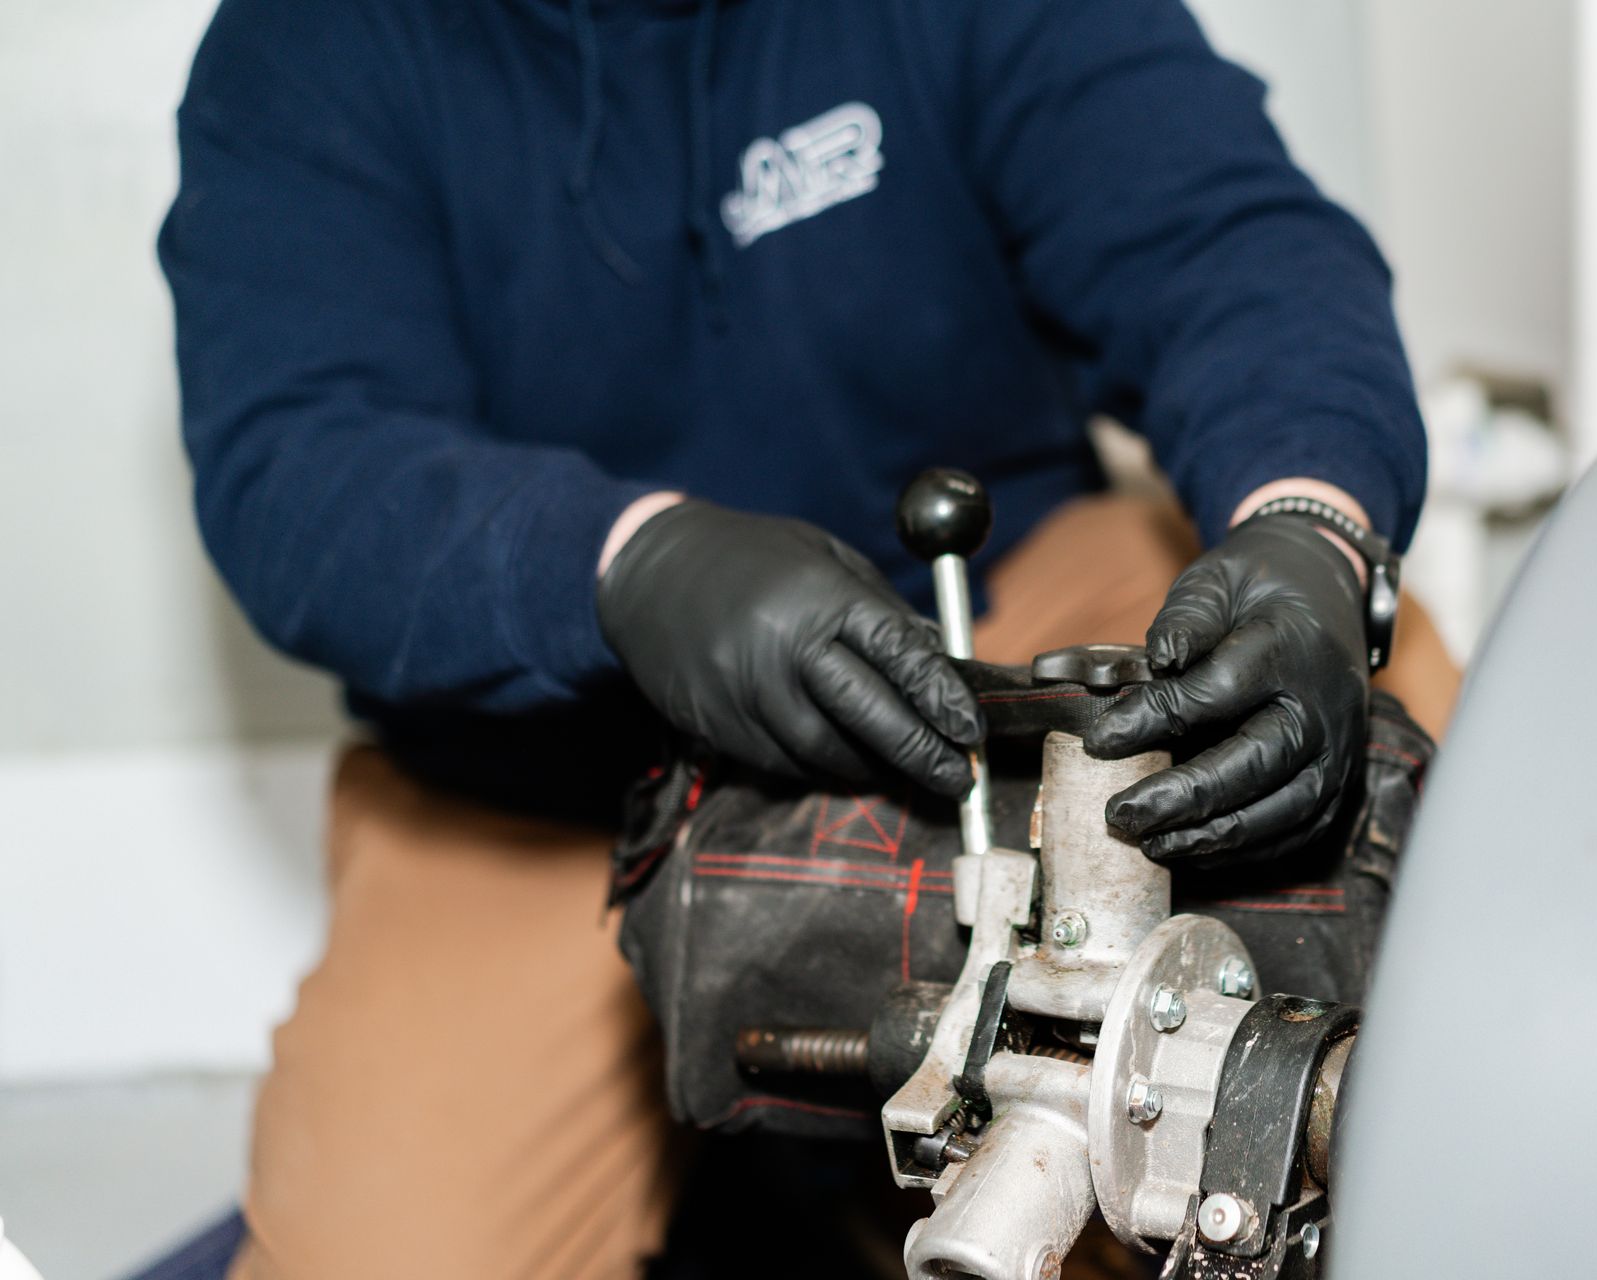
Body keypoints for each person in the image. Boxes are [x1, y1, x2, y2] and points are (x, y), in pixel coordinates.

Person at [160, 0, 1456, 1274]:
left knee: (1444, 904)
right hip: (542, 777)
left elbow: (1227, 242)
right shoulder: (303, 43)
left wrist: (1312, 534)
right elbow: (298, 460)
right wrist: (621, 562)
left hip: (1007, 648)